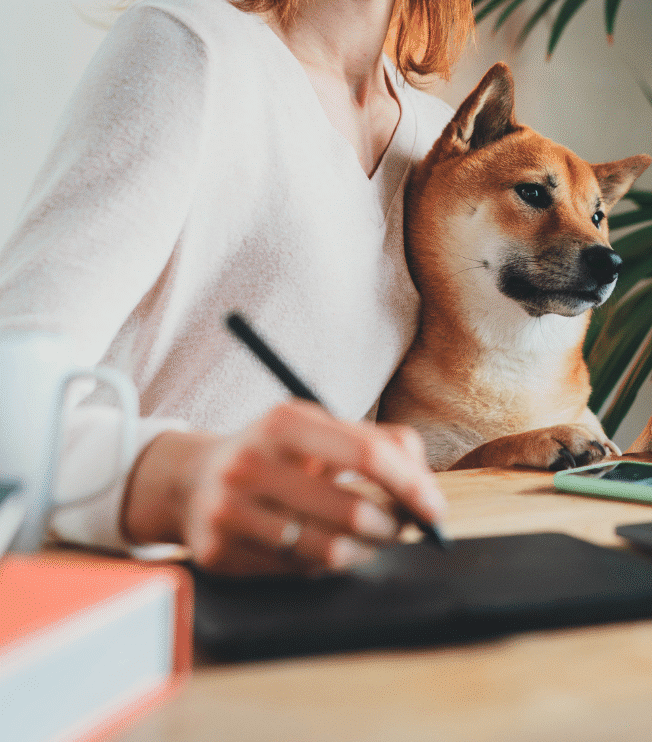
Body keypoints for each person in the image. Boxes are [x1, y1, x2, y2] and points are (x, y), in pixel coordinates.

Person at [0, 0, 475, 575]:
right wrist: (172, 482)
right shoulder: (192, 46)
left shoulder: (438, 141)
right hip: (120, 594)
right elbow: (12, 390)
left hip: (307, 591)